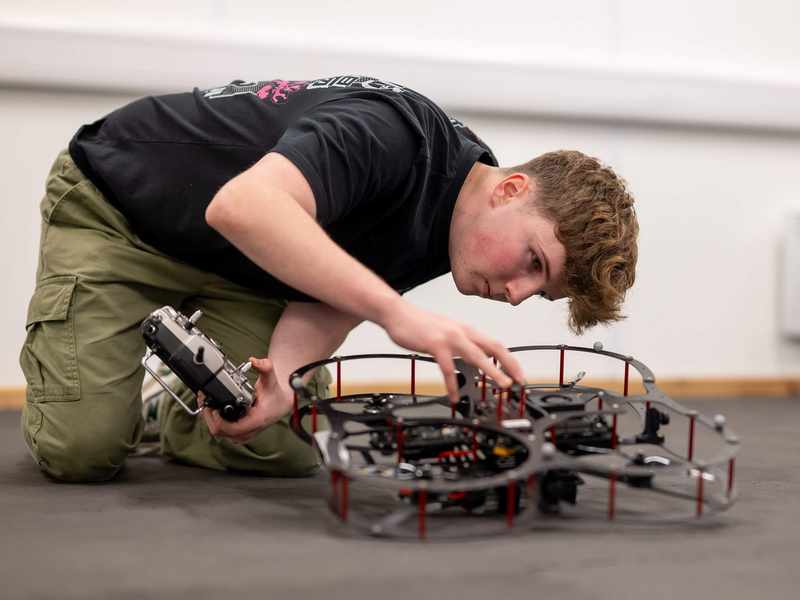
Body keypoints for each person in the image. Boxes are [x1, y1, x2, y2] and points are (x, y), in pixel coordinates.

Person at [19, 75, 638, 483]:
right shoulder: (390, 134)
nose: (517, 293)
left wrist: (285, 377)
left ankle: (177, 415)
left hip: (242, 266)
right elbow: (241, 207)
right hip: (121, 213)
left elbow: (329, 297)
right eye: (534, 262)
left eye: (539, 292)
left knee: (283, 444)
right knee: (83, 452)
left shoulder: (456, 229)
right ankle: (107, 394)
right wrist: (396, 314)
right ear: (510, 189)